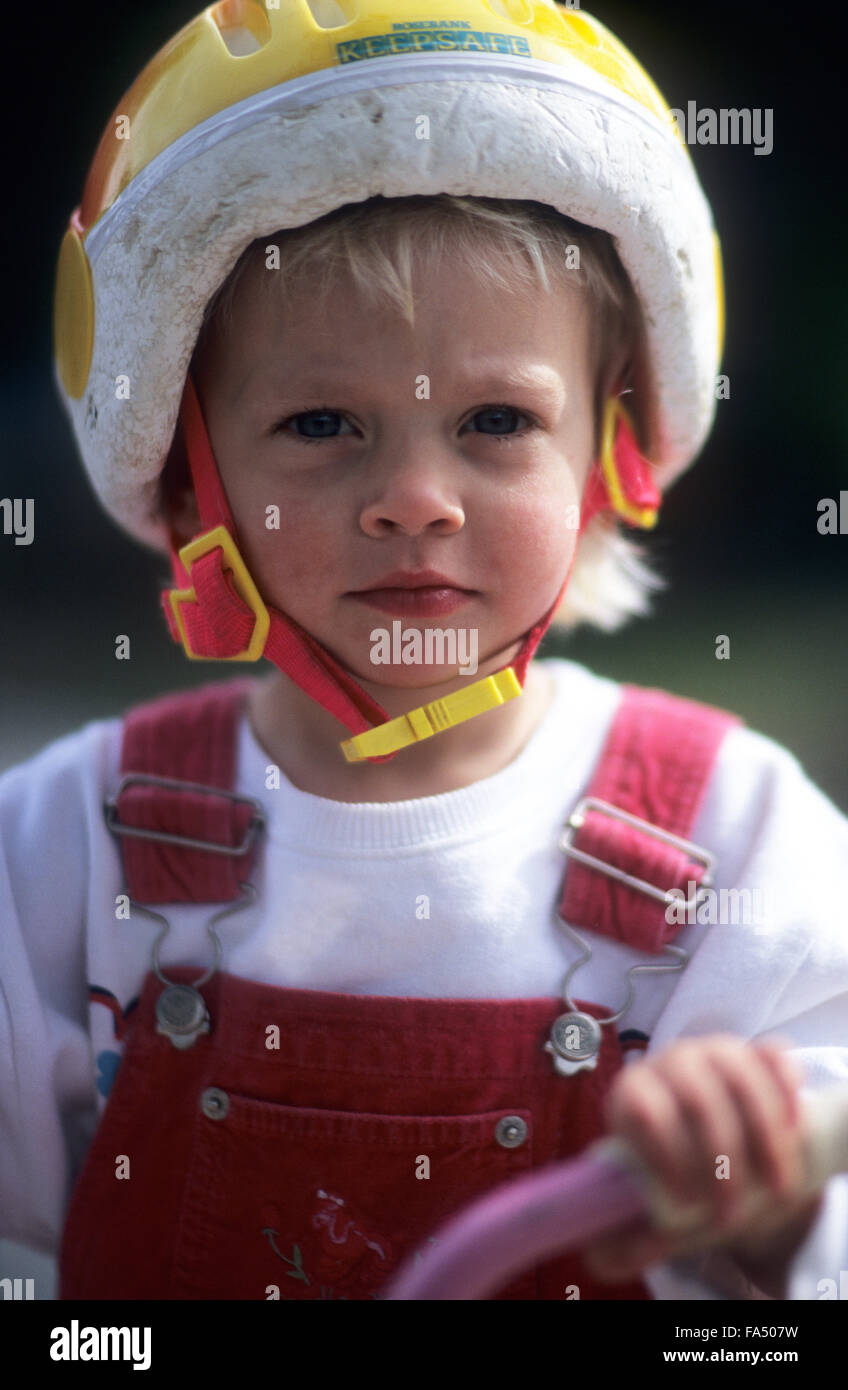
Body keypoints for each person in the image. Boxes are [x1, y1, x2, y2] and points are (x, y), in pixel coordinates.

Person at [2, 0, 846, 1301]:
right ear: (191, 483)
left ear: (611, 458)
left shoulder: (743, 849)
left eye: (496, 417)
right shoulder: (65, 849)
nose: (415, 498)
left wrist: (781, 1220)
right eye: (323, 420)